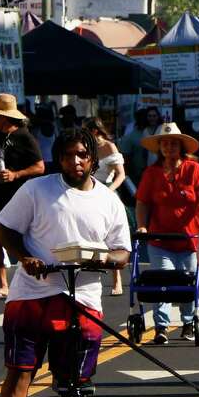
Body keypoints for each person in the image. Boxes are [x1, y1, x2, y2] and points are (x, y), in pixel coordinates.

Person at [0, 128, 130, 397]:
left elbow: (122, 252)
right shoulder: (36, 189)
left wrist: (99, 259)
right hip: (32, 294)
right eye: (68, 155)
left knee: (75, 377)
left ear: (93, 159)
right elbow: (5, 229)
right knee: (20, 370)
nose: (76, 161)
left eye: (82, 155)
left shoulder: (108, 200)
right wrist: (25, 258)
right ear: (59, 159)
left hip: (81, 295)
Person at [135, 123, 199, 344]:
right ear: (160, 147)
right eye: (165, 143)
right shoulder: (152, 173)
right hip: (160, 239)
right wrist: (142, 225)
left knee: (187, 282)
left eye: (173, 143)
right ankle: (161, 326)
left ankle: (188, 322)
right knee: (163, 280)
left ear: (181, 147)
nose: (169, 147)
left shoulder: (193, 170)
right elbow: (142, 202)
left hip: (189, 239)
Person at [0, 94, 45, 300]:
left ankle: (31, 279)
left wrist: (16, 174)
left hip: (19, 196)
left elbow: (40, 167)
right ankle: (3, 285)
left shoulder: (25, 137)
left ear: (5, 117)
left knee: (24, 239)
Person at [84, 118, 126, 296]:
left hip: (106, 190)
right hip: (87, 191)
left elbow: (121, 174)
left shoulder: (109, 147)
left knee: (110, 238)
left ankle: (117, 281)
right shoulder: (86, 147)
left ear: (95, 131)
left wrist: (109, 190)